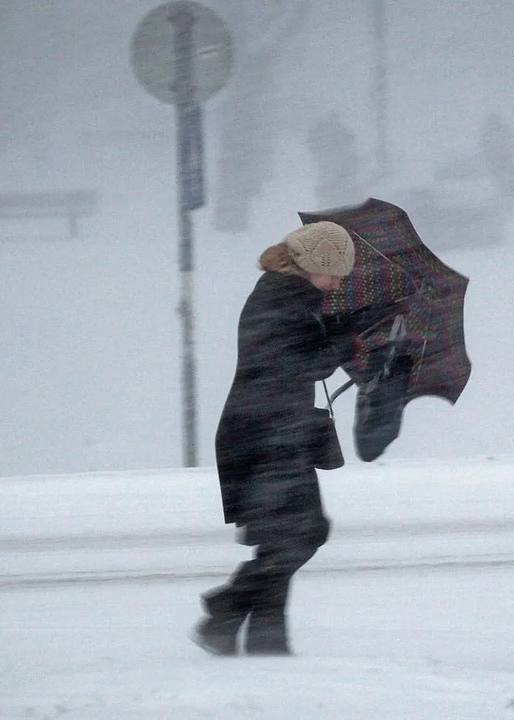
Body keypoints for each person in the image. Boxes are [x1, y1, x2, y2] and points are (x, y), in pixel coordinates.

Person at [193, 221, 357, 656]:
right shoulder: (282, 300)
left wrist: (343, 332)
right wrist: (346, 338)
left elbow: (307, 355)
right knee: (304, 534)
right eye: (336, 271)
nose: (340, 281)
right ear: (315, 264)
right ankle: (225, 607)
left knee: (284, 539)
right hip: (264, 435)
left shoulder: (286, 296)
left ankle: (265, 643)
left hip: (269, 431)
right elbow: (308, 362)